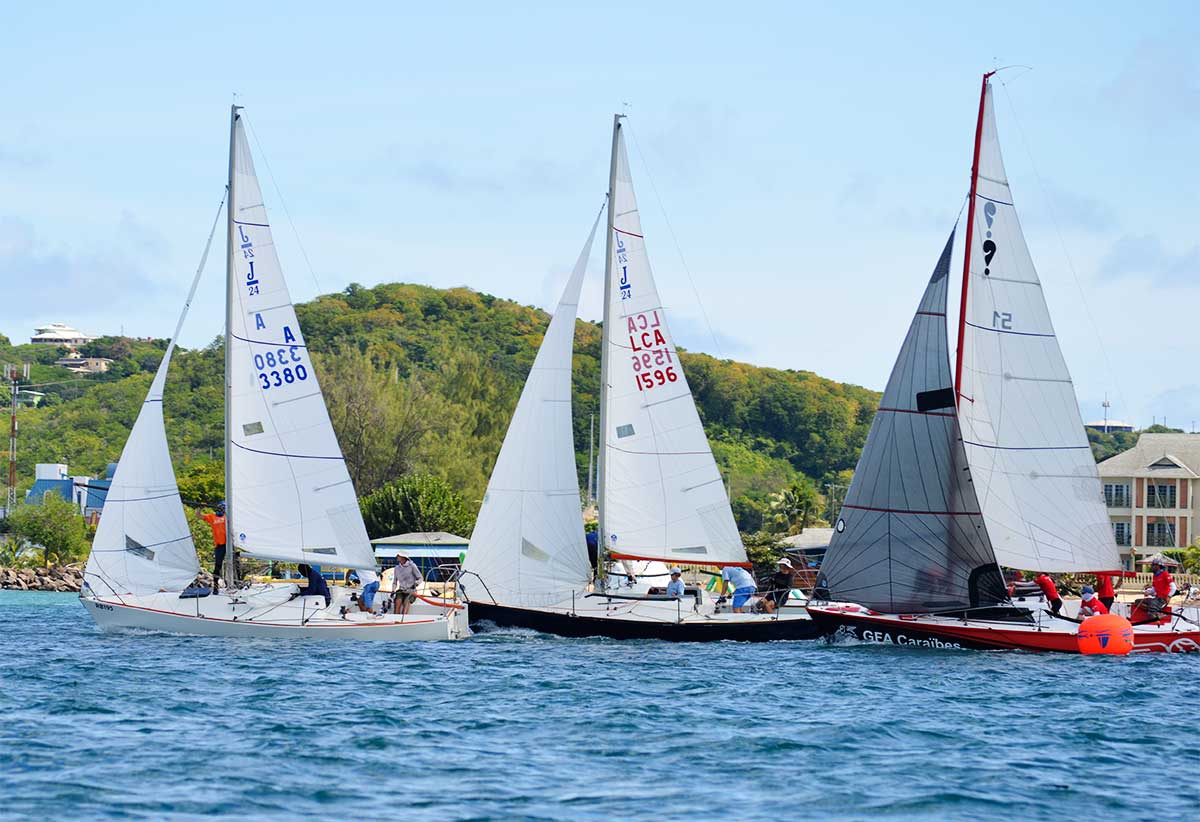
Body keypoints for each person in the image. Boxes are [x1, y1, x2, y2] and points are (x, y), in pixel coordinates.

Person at [201, 502, 227, 593]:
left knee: (235, 563)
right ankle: (215, 587)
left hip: (228, 544)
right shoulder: (212, 517)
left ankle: (236, 584)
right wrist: (200, 507)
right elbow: (199, 516)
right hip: (219, 545)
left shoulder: (227, 516)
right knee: (217, 566)